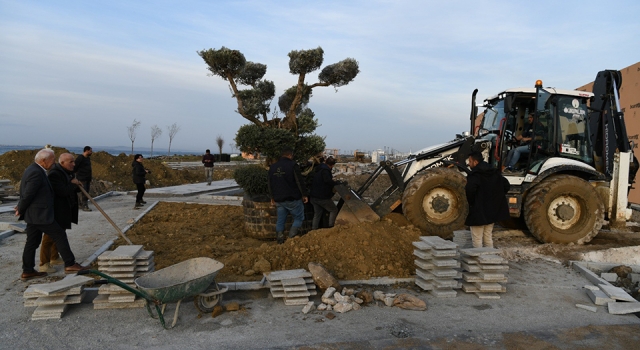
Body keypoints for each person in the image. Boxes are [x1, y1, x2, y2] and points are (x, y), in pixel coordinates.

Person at [15, 149, 87, 281]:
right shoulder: (36, 173)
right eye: (52, 160)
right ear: (43, 161)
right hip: (40, 214)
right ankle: (70, 264)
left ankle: (28, 270)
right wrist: (20, 208)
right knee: (59, 235)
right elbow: (29, 194)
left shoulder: (32, 169)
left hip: (34, 214)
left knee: (31, 243)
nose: (54, 163)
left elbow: (27, 192)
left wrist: (22, 206)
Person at [39, 153, 81, 273]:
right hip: (57, 209)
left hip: (65, 209)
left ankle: (54, 257)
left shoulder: (68, 172)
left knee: (60, 233)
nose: (74, 164)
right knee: (49, 236)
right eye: (71, 162)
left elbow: (73, 187)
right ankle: (44, 263)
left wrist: (76, 184)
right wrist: (72, 184)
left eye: (73, 161)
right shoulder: (55, 174)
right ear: (62, 163)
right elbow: (62, 191)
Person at [465, 151, 510, 248]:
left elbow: (470, 190)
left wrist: (472, 203)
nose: (468, 163)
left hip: (479, 211)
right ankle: (489, 260)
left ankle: (479, 261)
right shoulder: (494, 172)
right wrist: (497, 197)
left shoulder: (475, 175)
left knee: (477, 238)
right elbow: (506, 185)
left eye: (470, 161)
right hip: (492, 211)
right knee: (487, 236)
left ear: (475, 162)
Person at [268, 147, 308, 244]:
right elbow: (299, 181)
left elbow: (270, 183)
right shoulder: (293, 165)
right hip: (292, 198)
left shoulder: (272, 167)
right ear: (290, 155)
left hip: (279, 199)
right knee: (298, 218)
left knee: (281, 220)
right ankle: (291, 239)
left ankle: (280, 240)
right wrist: (304, 194)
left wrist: (272, 197)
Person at [310, 156, 340, 230]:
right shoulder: (325, 171)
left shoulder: (319, 169)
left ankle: (314, 230)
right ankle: (331, 227)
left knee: (317, 214)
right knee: (333, 210)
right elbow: (327, 181)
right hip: (322, 197)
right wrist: (336, 183)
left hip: (313, 196)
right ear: (332, 165)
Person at [74, 146, 93, 211]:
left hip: (87, 178)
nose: (91, 152)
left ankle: (83, 204)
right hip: (82, 179)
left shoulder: (88, 158)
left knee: (86, 192)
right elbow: (75, 167)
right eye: (90, 151)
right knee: (83, 192)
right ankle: (83, 206)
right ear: (86, 151)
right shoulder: (80, 158)